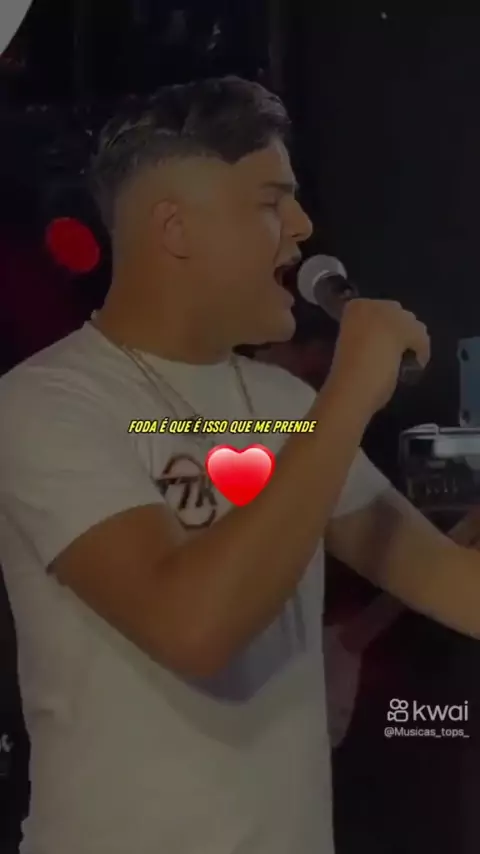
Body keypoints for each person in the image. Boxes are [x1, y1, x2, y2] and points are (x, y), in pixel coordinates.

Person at [0, 76, 480, 854]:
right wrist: (349, 393)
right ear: (175, 228)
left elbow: (459, 587)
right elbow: (194, 627)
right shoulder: (46, 403)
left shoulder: (284, 402)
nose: (303, 227)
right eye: (270, 202)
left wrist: (327, 409)